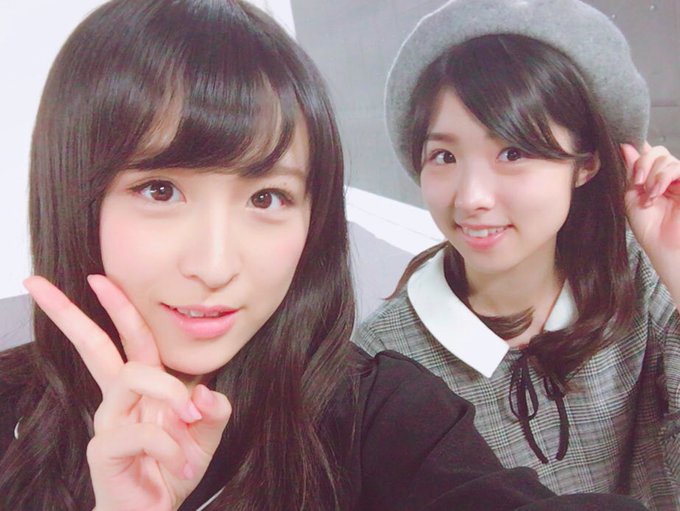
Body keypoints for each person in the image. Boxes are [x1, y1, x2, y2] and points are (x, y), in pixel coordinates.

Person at [0, 1, 652, 510]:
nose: (216, 264)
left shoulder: (375, 412)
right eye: (160, 190)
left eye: (268, 197)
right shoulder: (11, 415)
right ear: (75, 193)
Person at [354, 0, 680, 509]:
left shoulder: (646, 281)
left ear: (586, 164)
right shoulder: (380, 362)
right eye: (444, 156)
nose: (471, 198)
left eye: (513, 152)